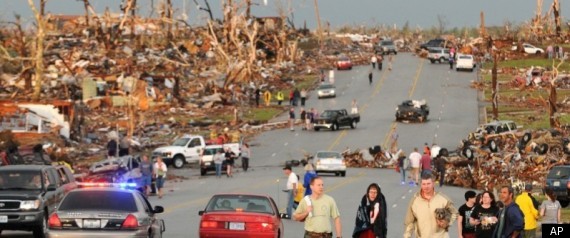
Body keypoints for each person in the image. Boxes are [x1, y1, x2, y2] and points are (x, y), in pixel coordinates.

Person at [403, 173, 458, 238]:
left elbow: (455, 213)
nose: (426, 186)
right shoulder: (415, 201)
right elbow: (409, 222)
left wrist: (448, 223)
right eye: (424, 184)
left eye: (428, 183)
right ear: (421, 185)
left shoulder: (443, 199)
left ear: (433, 184)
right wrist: (407, 236)